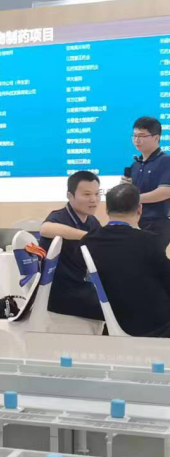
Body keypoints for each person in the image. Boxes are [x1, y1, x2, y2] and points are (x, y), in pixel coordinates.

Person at [83, 182, 170, 337]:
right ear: (139, 209)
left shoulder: (88, 241)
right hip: (153, 325)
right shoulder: (149, 241)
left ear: (107, 209)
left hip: (107, 318)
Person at [38, 170, 103, 321]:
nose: (94, 199)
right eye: (87, 194)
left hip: (84, 286)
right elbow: (45, 229)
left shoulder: (92, 221)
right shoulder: (59, 217)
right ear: (70, 196)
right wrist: (87, 237)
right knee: (118, 307)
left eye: (97, 194)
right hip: (61, 293)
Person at [127, 116, 170, 246]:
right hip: (135, 221)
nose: (136, 140)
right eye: (134, 135)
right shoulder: (135, 165)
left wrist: (133, 199)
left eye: (142, 136)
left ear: (156, 137)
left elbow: (165, 191)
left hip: (157, 222)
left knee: (151, 256)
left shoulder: (166, 161)